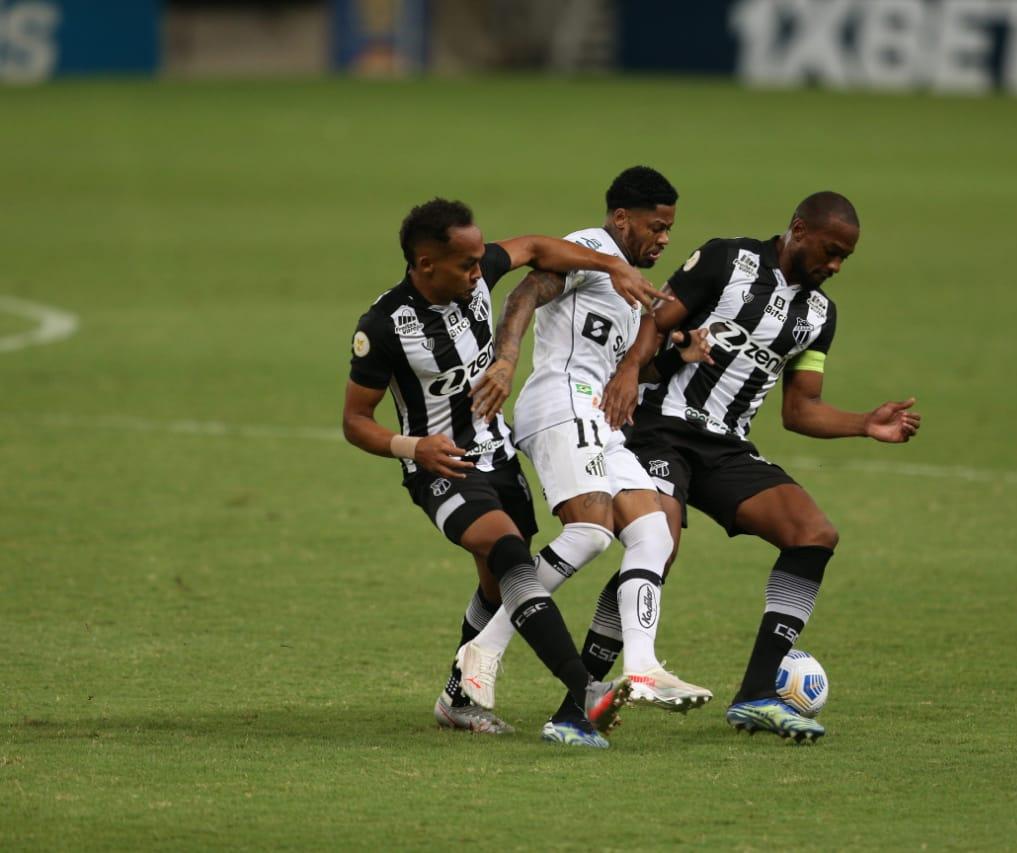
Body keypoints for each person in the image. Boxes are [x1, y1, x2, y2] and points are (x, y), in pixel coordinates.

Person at [342, 198, 668, 748]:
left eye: (480, 262)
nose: (479, 273)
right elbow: (355, 421)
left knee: (498, 585)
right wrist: (412, 447)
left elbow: (538, 247)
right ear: (425, 264)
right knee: (510, 551)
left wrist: (612, 265)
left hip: (499, 454)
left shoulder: (477, 272)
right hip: (441, 466)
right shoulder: (383, 327)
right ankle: (584, 688)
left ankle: (457, 698)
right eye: (466, 265)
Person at [599, 191, 922, 743]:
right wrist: (630, 371)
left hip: (725, 448)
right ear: (798, 228)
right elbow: (657, 319)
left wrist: (865, 423)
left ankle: (754, 696)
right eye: (830, 251)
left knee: (813, 534)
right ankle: (583, 686)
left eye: (846, 258)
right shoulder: (728, 261)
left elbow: (800, 410)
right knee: (661, 545)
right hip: (660, 429)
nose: (836, 266)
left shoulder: (819, 315)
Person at [450, 166, 715, 722]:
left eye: (669, 228)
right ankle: (486, 648)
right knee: (591, 533)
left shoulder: (627, 283)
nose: (665, 238)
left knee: (653, 532)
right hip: (559, 402)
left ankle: (641, 664)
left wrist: (674, 353)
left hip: (598, 415)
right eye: (656, 226)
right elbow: (526, 291)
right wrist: (506, 358)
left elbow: (612, 360)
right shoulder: (591, 250)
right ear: (622, 218)